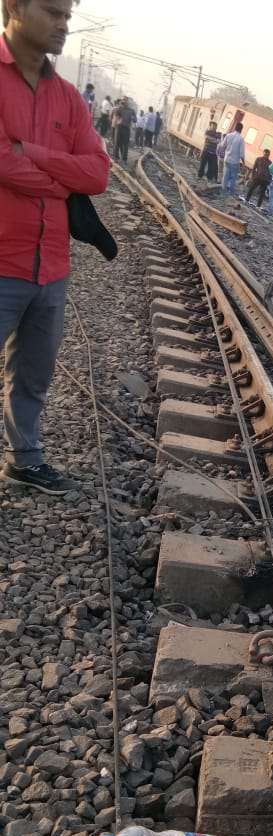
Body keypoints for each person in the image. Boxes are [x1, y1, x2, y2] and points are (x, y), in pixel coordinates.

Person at [0, 0, 110, 495]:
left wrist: (34, 156)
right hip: (2, 257)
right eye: (53, 11)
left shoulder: (68, 98)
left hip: (52, 267)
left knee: (34, 373)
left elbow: (98, 173)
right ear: (14, 8)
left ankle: (26, 458)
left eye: (68, 15)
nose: (64, 24)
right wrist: (62, 179)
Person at [221, 121, 245, 195]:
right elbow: (241, 154)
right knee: (233, 178)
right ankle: (230, 193)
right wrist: (243, 162)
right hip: (235, 162)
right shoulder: (241, 139)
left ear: (235, 128)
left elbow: (222, 145)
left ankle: (223, 191)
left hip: (227, 159)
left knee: (225, 176)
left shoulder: (228, 135)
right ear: (241, 129)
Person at [113, 97, 132, 162]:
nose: (124, 101)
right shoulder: (119, 109)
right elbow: (115, 117)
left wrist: (133, 118)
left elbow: (135, 119)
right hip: (119, 127)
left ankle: (124, 159)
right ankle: (116, 157)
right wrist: (115, 125)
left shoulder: (131, 110)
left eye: (126, 100)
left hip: (126, 128)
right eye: (123, 100)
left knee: (125, 144)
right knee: (117, 143)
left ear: (128, 102)